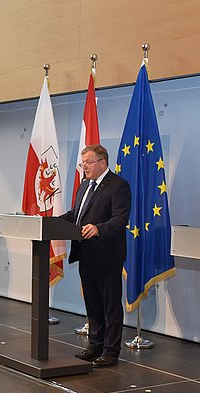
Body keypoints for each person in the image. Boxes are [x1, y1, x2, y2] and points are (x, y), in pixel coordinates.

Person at [60, 144, 131, 367]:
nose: (84, 167)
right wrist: (48, 221)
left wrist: (99, 228)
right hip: (86, 253)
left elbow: (120, 219)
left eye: (88, 163)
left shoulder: (118, 186)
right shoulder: (83, 186)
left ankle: (111, 350)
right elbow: (75, 215)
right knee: (92, 303)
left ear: (102, 162)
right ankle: (95, 345)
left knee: (110, 305)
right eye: (83, 163)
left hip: (107, 254)